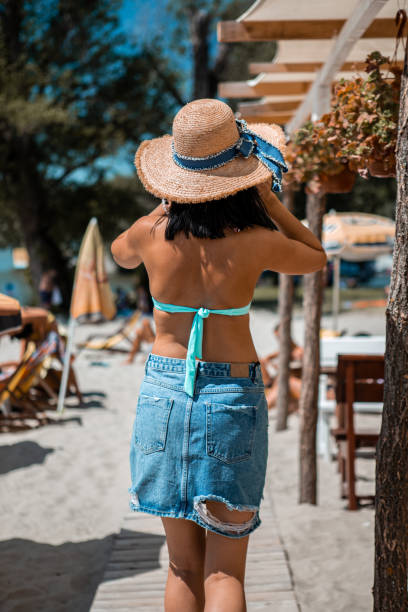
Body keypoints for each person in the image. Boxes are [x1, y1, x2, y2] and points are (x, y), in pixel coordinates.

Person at [111, 99, 327, 612]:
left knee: (181, 565)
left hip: (163, 393)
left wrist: (161, 204)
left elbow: (119, 253)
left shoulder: (150, 233)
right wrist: (271, 203)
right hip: (230, 393)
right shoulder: (255, 240)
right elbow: (315, 257)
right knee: (224, 570)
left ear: (176, 178)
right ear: (238, 177)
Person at [260, 323, 303, 412]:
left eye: (280, 337)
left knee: (285, 380)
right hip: (281, 382)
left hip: (295, 384)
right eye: (278, 338)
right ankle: (266, 390)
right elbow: (265, 359)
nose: (280, 341)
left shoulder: (298, 352)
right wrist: (272, 365)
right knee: (258, 361)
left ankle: (261, 409)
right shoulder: (283, 351)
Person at [123, 285, 156, 364]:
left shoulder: (143, 298)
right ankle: (131, 358)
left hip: (155, 345)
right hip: (154, 343)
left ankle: (130, 359)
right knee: (140, 330)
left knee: (145, 323)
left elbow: (143, 307)